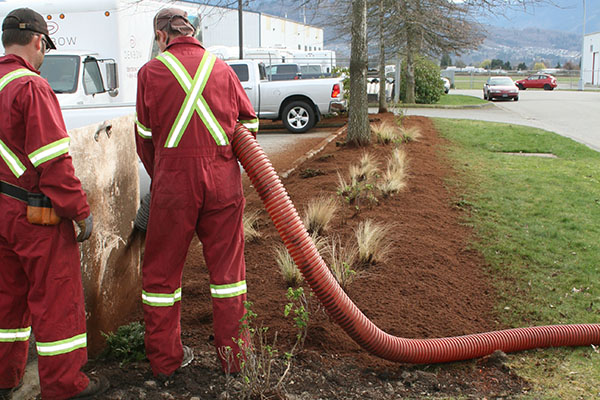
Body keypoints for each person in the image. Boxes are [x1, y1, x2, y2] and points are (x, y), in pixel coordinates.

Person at [135, 8, 259, 377]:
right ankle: (236, 361)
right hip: (223, 184)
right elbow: (249, 124)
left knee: (161, 278)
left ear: (161, 36)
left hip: (174, 186)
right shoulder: (221, 69)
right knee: (228, 276)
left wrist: (165, 177)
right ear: (192, 32)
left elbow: (144, 138)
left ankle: (164, 364)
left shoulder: (150, 73)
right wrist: (222, 159)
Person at [0, 8, 108, 399]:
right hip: (33, 215)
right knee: (57, 300)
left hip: (1, 212)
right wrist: (79, 211)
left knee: (6, 301)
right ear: (37, 41)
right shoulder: (31, 87)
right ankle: (65, 386)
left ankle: (4, 377)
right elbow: (55, 165)